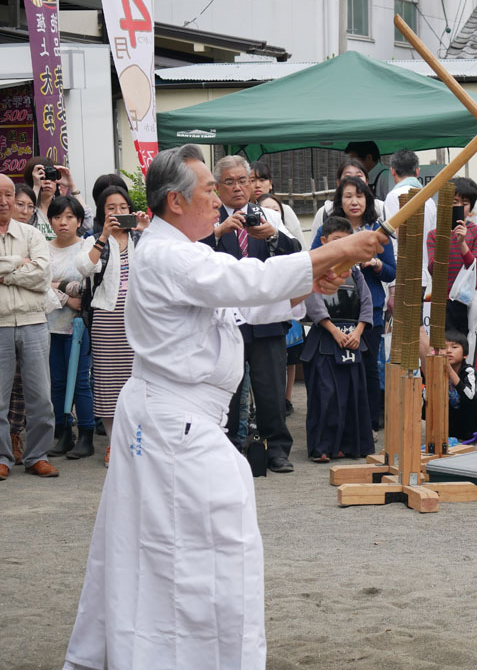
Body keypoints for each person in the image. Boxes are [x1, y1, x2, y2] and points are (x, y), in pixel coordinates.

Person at [61, 143, 386, 670]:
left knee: (167, 546)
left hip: (175, 418)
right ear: (174, 202)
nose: (221, 198)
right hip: (173, 421)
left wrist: (310, 285)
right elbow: (245, 282)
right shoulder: (167, 254)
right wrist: (337, 250)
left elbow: (242, 299)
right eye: (209, 189)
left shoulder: (188, 252)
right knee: (203, 546)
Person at [201, 155, 302, 473]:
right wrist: (218, 232)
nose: (237, 187)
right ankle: (227, 447)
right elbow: (193, 254)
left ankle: (277, 449)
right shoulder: (208, 217)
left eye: (242, 180)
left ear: (252, 183)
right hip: (225, 321)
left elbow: (296, 253)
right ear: (218, 186)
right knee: (227, 387)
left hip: (266, 317)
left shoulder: (269, 213)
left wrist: (272, 235)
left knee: (270, 386)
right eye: (229, 182)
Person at [311, 176, 395, 431]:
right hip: (333, 312)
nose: (354, 201)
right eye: (348, 196)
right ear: (339, 200)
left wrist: (376, 264)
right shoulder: (329, 229)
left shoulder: (378, 231)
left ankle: (368, 423)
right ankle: (338, 426)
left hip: (369, 314)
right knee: (334, 371)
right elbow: (312, 263)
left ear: (368, 199)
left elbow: (391, 271)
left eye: (359, 196)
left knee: (369, 369)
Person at [77, 186, 146, 468]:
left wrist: (148, 230)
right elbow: (83, 267)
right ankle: (114, 445)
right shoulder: (94, 239)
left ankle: (138, 443)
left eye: (122, 207)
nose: (118, 212)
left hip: (141, 319)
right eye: (111, 208)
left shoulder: (141, 237)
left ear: (130, 209)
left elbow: (162, 264)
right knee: (108, 384)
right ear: (102, 213)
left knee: (140, 381)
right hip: (107, 317)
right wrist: (104, 236)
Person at [301, 216, 376, 463]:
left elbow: (366, 302)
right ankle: (323, 447)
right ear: (324, 241)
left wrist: (358, 332)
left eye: (346, 242)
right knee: (327, 394)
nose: (341, 248)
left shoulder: (355, 272)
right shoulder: (316, 271)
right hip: (325, 337)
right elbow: (313, 304)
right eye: (335, 242)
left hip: (354, 339)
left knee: (353, 394)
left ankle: (348, 444)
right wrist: (333, 330)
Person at [0, 173, 58, 480]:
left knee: (40, 397)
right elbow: (31, 271)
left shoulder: (31, 233)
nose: (4, 200)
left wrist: (5, 272)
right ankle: (2, 456)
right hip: (0, 323)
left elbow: (42, 274)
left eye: (8, 194)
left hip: (34, 321)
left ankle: (37, 454)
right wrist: (19, 263)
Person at [44, 196, 95, 459]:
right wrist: (65, 293)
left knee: (81, 383)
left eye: (69, 217)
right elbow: (38, 283)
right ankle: (63, 432)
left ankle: (86, 433)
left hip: (78, 326)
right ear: (50, 220)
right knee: (58, 381)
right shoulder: (44, 247)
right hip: (50, 324)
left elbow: (88, 283)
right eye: (57, 217)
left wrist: (55, 284)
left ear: (78, 221)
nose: (63, 222)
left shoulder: (86, 247)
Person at [426, 176, 477, 336]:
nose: (459, 207)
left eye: (464, 204)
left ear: (471, 207)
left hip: (467, 300)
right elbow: (433, 269)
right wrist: (445, 238)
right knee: (443, 345)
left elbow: (476, 268)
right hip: (442, 299)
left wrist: (462, 243)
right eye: (454, 202)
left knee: (464, 346)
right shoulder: (434, 235)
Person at [258, 192, 302, 415]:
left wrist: (273, 234)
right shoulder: (236, 227)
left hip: (278, 314)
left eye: (275, 211)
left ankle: (283, 403)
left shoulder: (280, 233)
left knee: (283, 363)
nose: (269, 214)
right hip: (243, 316)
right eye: (265, 209)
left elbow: (297, 252)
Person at [420, 328, 477, 443]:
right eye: (443, 347)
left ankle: (474, 437)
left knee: (476, 401)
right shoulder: (435, 371)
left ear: (465, 354)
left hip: (468, 421)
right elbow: (427, 400)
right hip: (449, 422)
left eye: (454, 347)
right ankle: (441, 436)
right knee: (430, 403)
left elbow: (470, 397)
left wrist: (450, 371)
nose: (448, 351)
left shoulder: (468, 370)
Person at [383, 149, 436, 289]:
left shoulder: (394, 197)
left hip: (403, 276)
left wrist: (392, 285)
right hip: (425, 276)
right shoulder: (429, 200)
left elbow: (393, 239)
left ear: (392, 171)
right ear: (418, 171)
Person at [310, 158, 386, 238]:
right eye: (347, 177)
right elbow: (315, 249)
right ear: (338, 183)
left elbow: (392, 246)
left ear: (367, 182)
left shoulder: (380, 209)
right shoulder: (325, 213)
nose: (354, 202)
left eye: (359, 176)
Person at [249, 160, 307, 248]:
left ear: (270, 184)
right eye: (252, 180)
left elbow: (301, 246)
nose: (257, 185)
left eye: (262, 180)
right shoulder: (242, 210)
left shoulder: (285, 210)